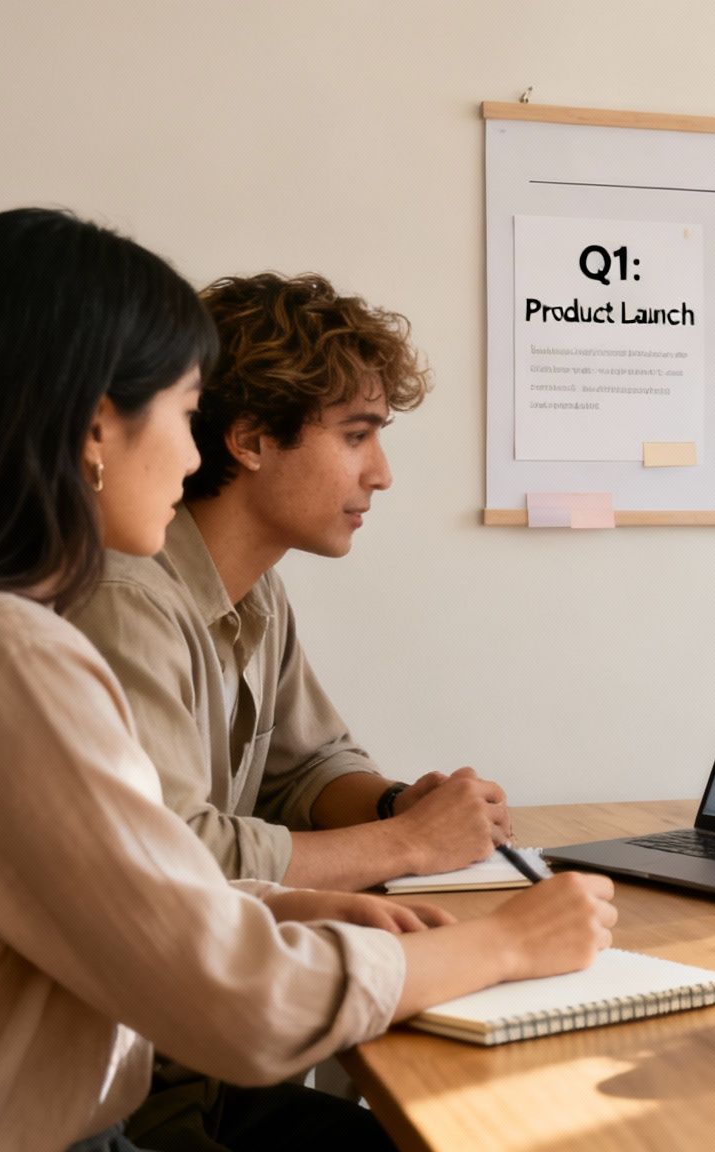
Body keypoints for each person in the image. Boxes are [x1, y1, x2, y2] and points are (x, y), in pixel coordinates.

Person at [0, 208, 617, 1151]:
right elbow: (246, 1010)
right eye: (188, 413)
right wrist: (508, 943)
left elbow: (97, 882)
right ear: (96, 427)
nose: (193, 456)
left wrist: (276, 903)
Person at [69, 272, 503, 892]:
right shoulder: (126, 599)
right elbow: (174, 853)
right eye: (356, 435)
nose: (381, 474)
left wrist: (399, 806)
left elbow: (308, 766)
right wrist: (409, 843)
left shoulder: (259, 587)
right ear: (251, 440)